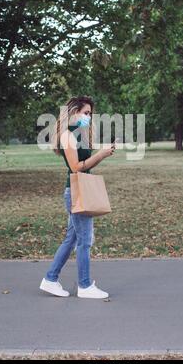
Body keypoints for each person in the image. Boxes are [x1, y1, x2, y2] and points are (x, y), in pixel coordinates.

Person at [40, 96, 115, 298]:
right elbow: (75, 168)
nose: (89, 117)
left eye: (90, 114)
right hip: (75, 191)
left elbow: (86, 164)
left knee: (72, 239)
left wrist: (102, 154)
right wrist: (100, 155)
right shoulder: (67, 136)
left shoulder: (79, 134)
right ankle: (84, 286)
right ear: (74, 112)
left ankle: (50, 279)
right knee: (84, 240)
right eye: (86, 113)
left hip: (81, 189)